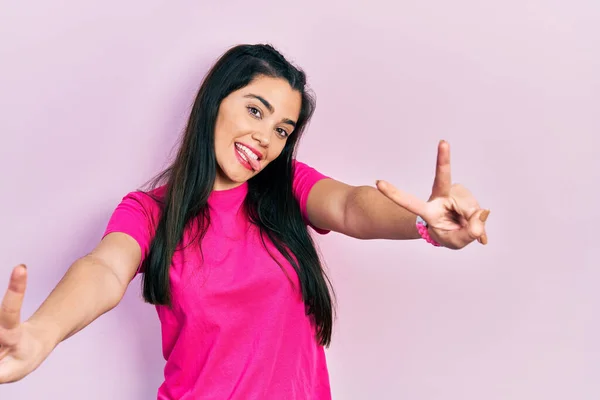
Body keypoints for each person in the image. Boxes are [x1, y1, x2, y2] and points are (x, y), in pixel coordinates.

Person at [0, 44, 490, 399]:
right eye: (255, 110)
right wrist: (43, 332)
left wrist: (424, 224)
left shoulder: (288, 188)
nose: (264, 139)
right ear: (215, 102)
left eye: (281, 130)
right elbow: (103, 270)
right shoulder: (149, 213)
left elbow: (350, 206)